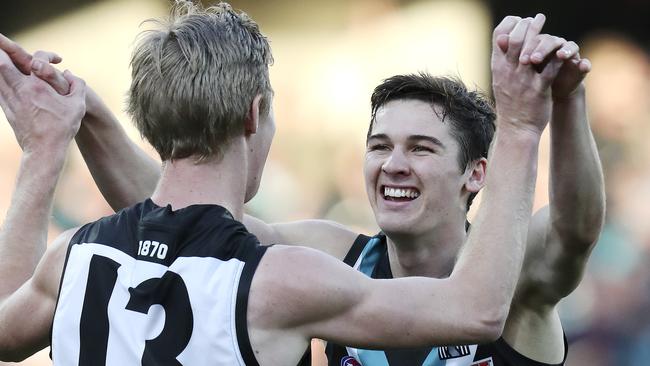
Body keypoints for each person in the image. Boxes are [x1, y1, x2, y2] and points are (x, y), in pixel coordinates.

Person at [0, 4, 600, 366]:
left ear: (476, 173)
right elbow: (183, 221)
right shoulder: (313, 265)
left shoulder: (78, 255)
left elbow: (574, 229)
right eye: (378, 146)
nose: (392, 164)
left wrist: (58, 141)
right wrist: (521, 125)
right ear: (255, 117)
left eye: (420, 148)